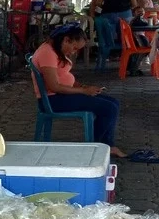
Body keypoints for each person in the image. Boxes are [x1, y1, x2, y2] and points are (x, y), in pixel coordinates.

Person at [31, 24, 126, 158]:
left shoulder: (53, 50)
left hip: (59, 96)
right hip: (53, 100)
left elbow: (63, 77)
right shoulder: (47, 53)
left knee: (113, 103)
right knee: (108, 108)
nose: (74, 52)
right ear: (66, 40)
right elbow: (54, 86)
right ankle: (99, 147)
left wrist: (83, 86)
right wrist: (82, 91)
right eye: (74, 48)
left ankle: (107, 145)